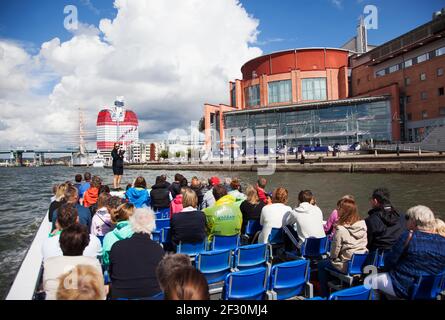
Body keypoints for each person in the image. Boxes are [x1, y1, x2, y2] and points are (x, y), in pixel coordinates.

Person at [364, 205, 445, 299]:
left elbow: (389, 261)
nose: (405, 221)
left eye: (407, 218)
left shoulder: (408, 236)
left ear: (414, 221)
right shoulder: (443, 241)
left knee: (370, 280)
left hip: (404, 286)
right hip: (429, 289)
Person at [109, 208, 165, 299]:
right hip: (152, 296)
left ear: (132, 224)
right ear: (152, 225)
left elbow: (111, 273)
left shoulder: (117, 247)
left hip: (121, 296)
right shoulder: (158, 249)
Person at [317, 199, 368, 297]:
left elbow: (334, 254)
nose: (337, 210)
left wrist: (332, 257)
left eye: (339, 208)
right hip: (360, 263)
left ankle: (324, 294)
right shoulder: (363, 226)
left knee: (321, 264)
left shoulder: (341, 229)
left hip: (346, 265)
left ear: (344, 211)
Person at [43, 224, 102, 300]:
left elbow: (46, 287)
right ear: (86, 244)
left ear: (60, 244)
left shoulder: (49, 263)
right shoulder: (94, 263)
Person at [365, 188, 406, 253]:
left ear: (375, 201)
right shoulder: (402, 216)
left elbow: (368, 243)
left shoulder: (370, 220)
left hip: (378, 254)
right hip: (399, 252)